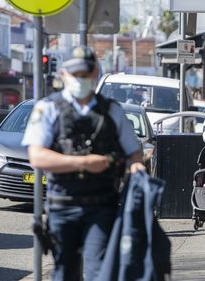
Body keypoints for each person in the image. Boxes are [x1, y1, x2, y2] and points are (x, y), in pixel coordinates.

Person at [22, 46, 146, 280]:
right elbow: (37, 156)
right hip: (63, 206)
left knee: (102, 272)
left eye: (86, 74)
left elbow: (133, 153)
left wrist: (135, 166)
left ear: (95, 73)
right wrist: (84, 163)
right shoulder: (48, 108)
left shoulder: (112, 111)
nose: (81, 79)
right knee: (64, 273)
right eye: (75, 74)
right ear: (63, 75)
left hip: (102, 205)